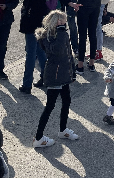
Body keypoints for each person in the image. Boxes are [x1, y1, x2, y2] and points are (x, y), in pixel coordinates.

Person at [19, 0, 80, 94]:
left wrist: (69, 3)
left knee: (32, 52)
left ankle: (27, 84)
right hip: (30, 18)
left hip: (38, 18)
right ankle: (44, 78)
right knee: (40, 51)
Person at [32, 10, 79, 148]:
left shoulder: (61, 34)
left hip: (64, 75)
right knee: (50, 106)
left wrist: (73, 72)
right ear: (54, 21)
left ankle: (63, 130)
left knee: (66, 101)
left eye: (64, 21)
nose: (63, 23)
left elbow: (68, 54)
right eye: (61, 21)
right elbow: (56, 50)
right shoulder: (46, 36)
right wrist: (62, 33)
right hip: (55, 76)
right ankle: (39, 137)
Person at [71, 0, 106, 75]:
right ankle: (91, 63)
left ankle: (80, 64)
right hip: (95, 6)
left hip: (83, 6)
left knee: (82, 36)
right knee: (93, 34)